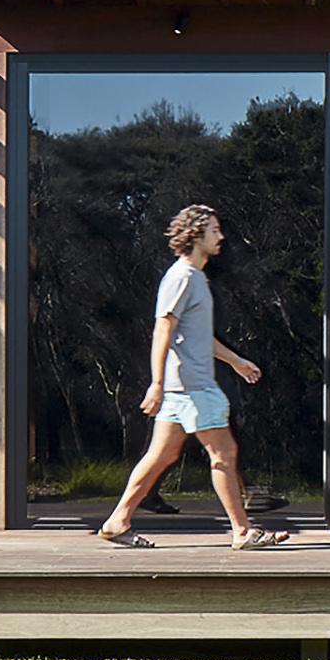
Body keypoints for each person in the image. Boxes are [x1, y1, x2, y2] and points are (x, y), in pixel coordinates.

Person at [94, 203, 288, 551]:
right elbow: (162, 330)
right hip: (192, 387)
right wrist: (155, 383)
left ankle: (117, 521)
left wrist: (236, 361)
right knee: (224, 454)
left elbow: (197, 335)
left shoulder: (195, 278)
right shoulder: (182, 278)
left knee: (161, 456)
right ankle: (243, 532)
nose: (221, 236)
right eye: (214, 230)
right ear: (196, 235)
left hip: (183, 388)